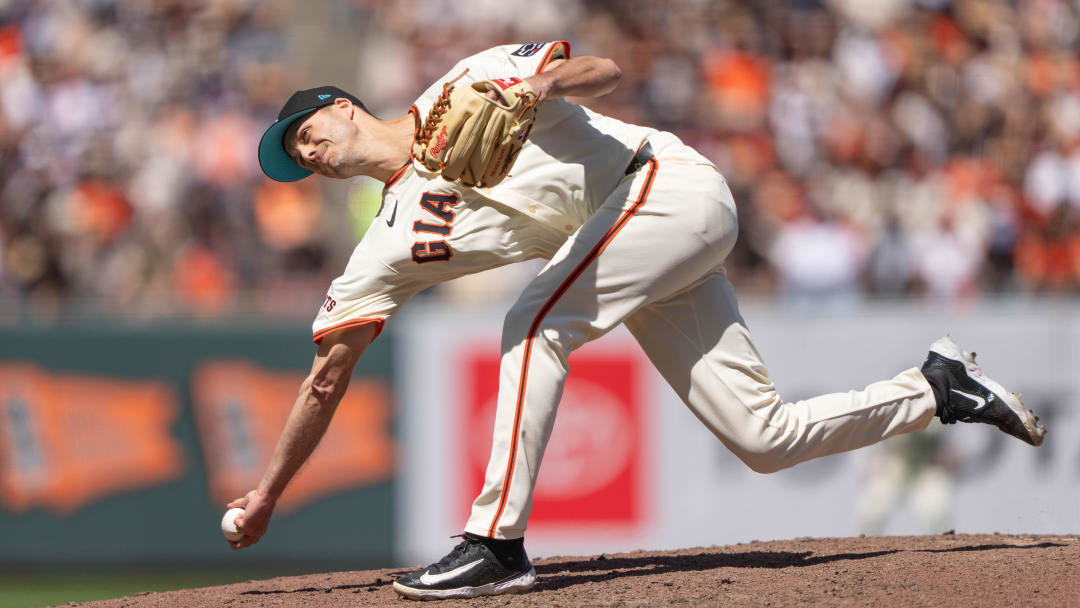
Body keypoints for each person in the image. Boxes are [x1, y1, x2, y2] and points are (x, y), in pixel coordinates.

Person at [231, 41, 1046, 601]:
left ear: (342, 105)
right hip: (635, 246)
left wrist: (540, 86)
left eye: (306, 132)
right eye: (295, 158)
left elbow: (606, 67)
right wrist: (267, 494)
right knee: (763, 437)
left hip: (664, 186)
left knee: (534, 319)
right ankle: (937, 390)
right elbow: (326, 376)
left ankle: (494, 544)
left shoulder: (461, 85)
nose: (307, 153)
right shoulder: (381, 248)